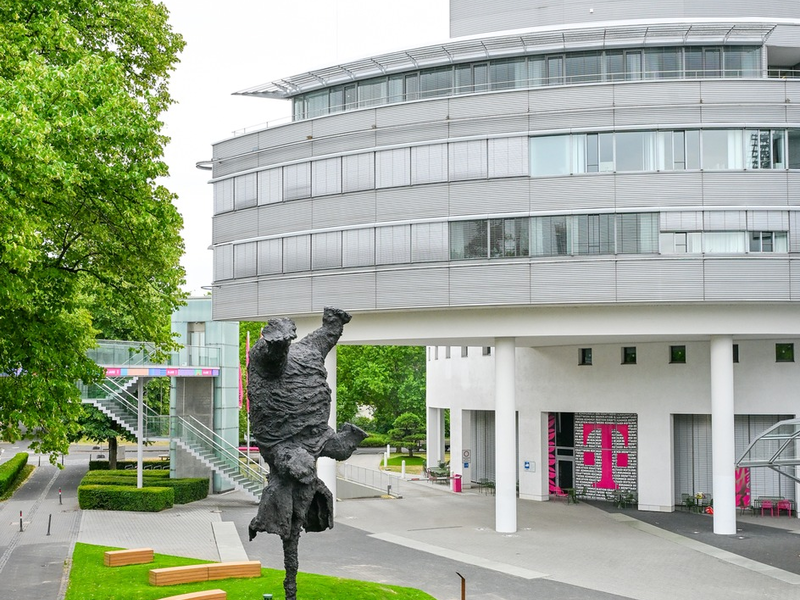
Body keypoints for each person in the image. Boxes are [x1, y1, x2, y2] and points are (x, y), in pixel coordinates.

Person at [247, 307, 367, 600]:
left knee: (276, 363)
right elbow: (333, 451)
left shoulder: (280, 461)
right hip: (312, 434)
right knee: (337, 449)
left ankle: (279, 343)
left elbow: (294, 466)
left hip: (288, 434)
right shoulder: (308, 458)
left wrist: (298, 461)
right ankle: (330, 323)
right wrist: (350, 438)